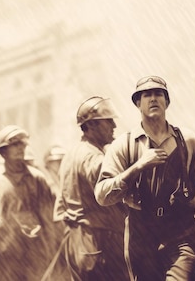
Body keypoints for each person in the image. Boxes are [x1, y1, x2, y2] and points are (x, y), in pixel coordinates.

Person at [95, 75, 195, 281]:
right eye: (146, 95)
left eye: (158, 94)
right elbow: (102, 195)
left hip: (180, 230)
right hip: (141, 233)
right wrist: (137, 167)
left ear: (167, 102)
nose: (153, 99)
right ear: (138, 103)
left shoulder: (188, 141)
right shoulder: (124, 145)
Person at [54, 96, 129, 280]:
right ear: (91, 126)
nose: (113, 126)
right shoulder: (94, 158)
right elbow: (114, 196)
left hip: (78, 244)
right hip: (102, 242)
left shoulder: (71, 155)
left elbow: (60, 209)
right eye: (108, 121)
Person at [0, 125, 61, 280]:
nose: (20, 148)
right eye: (14, 145)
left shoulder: (37, 178)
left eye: (22, 144)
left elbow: (48, 218)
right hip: (3, 252)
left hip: (34, 251)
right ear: (3, 151)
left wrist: (50, 250)